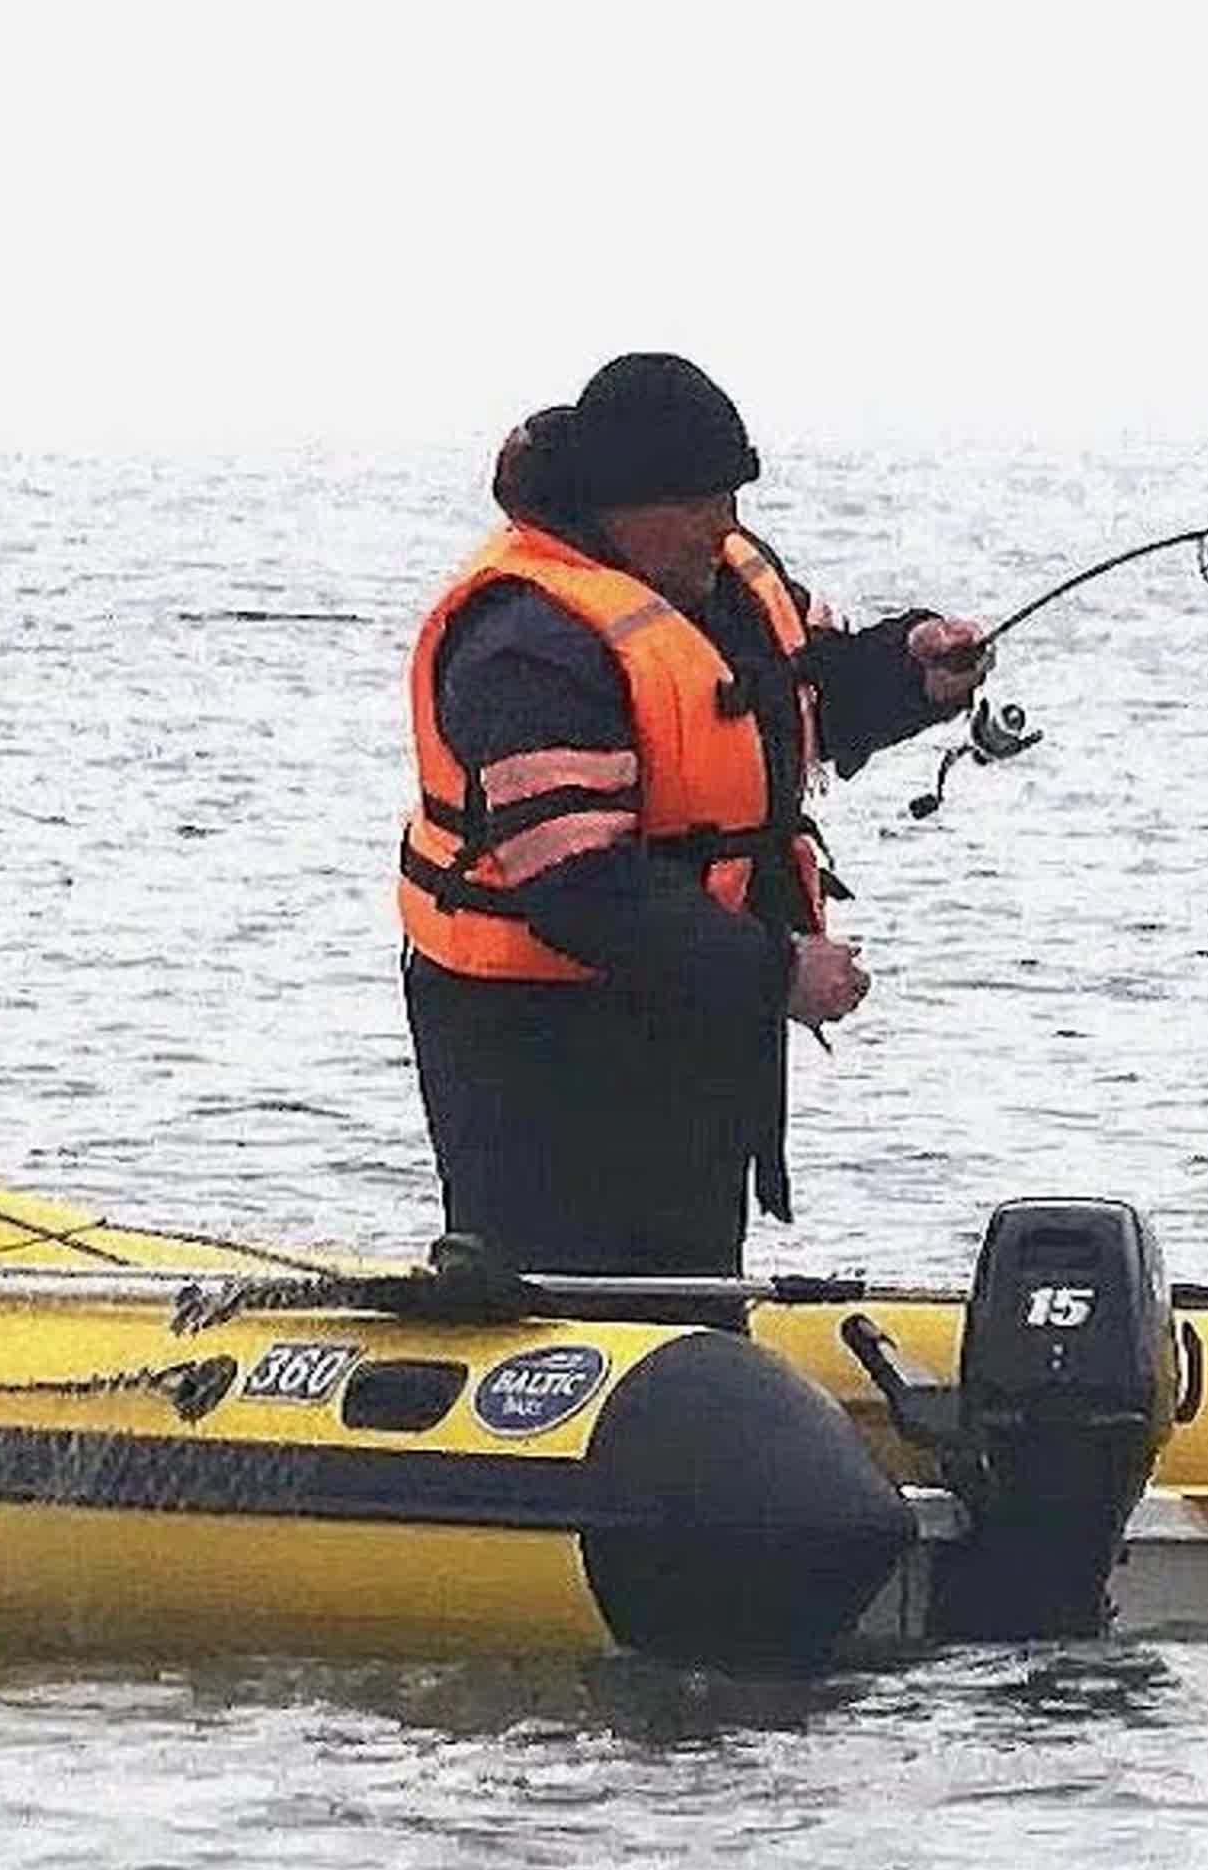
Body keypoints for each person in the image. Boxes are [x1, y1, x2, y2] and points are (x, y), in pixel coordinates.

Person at [396, 351, 991, 1307]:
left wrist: (912, 671)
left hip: (692, 1023)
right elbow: (579, 888)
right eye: (704, 503)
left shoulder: (724, 580)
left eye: (733, 499)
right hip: (540, 1046)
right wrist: (777, 969)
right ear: (626, 505)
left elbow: (805, 696)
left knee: (691, 1285)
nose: (727, 525)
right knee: (580, 1301)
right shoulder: (527, 643)